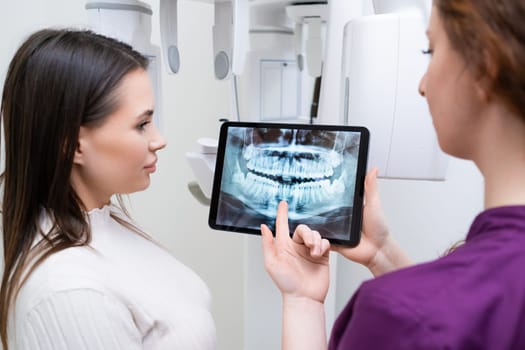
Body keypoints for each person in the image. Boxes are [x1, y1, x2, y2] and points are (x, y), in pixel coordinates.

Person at [261, 0, 525, 348]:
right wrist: (383, 255)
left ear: (483, 67)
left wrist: (302, 303)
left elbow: (429, 322)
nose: (422, 84)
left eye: (430, 51)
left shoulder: (397, 313)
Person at [0, 29, 215, 349]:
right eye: (142, 124)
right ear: (72, 145)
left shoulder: (101, 220)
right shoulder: (70, 292)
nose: (159, 140)